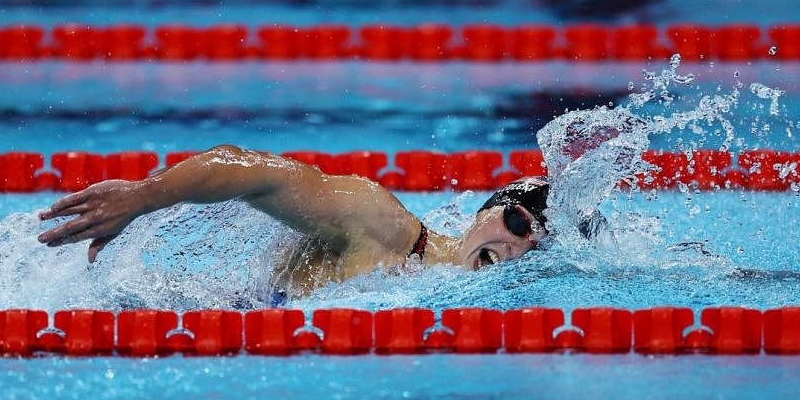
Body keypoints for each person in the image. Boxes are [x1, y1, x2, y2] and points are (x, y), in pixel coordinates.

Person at [38, 145, 549, 297]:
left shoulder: (467, 301)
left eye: (534, 245)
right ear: (487, 210)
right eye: (519, 223)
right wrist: (143, 197)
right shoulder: (383, 225)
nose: (515, 245)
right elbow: (255, 171)